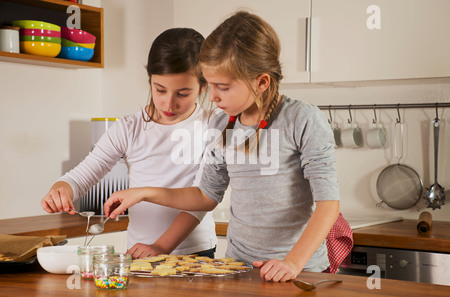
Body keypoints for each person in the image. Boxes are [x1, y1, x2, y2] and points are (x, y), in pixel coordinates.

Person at [103, 11, 341, 282]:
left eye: (222, 87)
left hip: (300, 272)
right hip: (239, 268)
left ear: (261, 81)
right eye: (210, 84)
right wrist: (143, 193)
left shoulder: (302, 119)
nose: (212, 95)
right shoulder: (223, 126)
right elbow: (206, 196)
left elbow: (328, 204)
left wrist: (292, 263)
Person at [41, 28, 217, 259]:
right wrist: (63, 187)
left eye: (182, 94)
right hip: (139, 251)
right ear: (150, 80)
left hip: (195, 252)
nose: (168, 103)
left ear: (203, 86)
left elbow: (202, 199)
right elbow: (86, 172)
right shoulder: (129, 127)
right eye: (160, 89)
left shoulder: (212, 127)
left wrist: (161, 246)